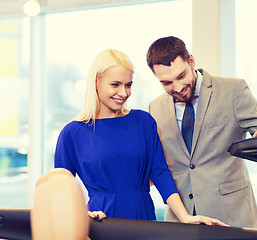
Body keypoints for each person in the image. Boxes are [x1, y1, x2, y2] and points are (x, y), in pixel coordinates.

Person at [54, 48, 226, 226]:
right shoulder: (71, 133)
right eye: (115, 84)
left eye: (128, 85)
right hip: (99, 223)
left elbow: (160, 172)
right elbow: (60, 191)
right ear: (96, 83)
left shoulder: (143, 121)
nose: (123, 93)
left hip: (143, 218)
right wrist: (84, 213)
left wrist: (185, 217)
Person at [146, 36, 257, 228]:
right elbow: (158, 167)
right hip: (181, 223)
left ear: (191, 61)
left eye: (181, 76)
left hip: (230, 217)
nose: (178, 88)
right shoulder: (155, 107)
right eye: (166, 83)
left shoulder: (232, 90)